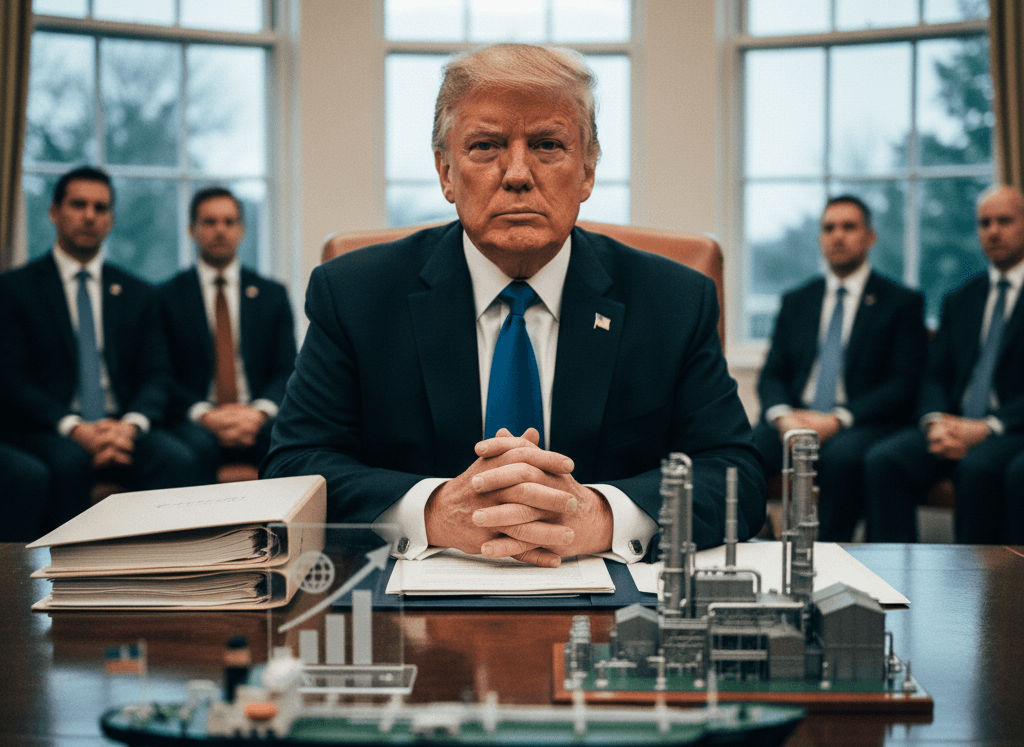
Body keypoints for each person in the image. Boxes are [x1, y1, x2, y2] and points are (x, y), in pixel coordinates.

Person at [263, 43, 765, 567]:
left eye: (548, 145)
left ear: (588, 170)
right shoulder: (355, 294)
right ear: (446, 172)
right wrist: (433, 512)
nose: (518, 173)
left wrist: (604, 514)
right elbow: (295, 470)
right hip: (413, 613)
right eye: (486, 146)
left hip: (609, 613)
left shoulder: (673, 300)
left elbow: (735, 474)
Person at [0, 166, 200, 530]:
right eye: (79, 204)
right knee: (68, 463)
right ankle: (67, 577)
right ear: (54, 212)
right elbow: (13, 380)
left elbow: (157, 374)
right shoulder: (16, 289)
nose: (89, 215)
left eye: (100, 207)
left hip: (122, 425)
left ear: (111, 219)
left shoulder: (138, 292)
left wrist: (130, 426)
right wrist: (75, 428)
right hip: (51, 428)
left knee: (179, 459)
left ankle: (161, 574)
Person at [754, 195, 927, 540]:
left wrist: (838, 419)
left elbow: (903, 384)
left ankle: (830, 556)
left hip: (859, 422)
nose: (838, 236)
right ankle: (755, 544)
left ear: (870, 237)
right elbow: (772, 373)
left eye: (849, 227)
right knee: (741, 450)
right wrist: (784, 417)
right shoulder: (798, 300)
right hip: (795, 419)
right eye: (829, 228)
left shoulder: (901, 302)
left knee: (841, 459)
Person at [865, 184, 1024, 544]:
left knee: (978, 467)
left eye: (1004, 221)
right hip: (954, 424)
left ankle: (987, 589)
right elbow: (935, 375)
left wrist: (987, 429)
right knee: (883, 460)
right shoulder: (961, 298)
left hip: (1011, 428)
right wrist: (936, 422)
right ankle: (892, 582)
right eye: (985, 223)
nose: (993, 231)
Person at [159, 188, 296, 483]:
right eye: (209, 222)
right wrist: (205, 415)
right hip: (196, 420)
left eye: (229, 221)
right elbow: (162, 375)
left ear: (242, 229)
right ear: (192, 230)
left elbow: (287, 368)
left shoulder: (272, 294)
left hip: (258, 416)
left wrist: (258, 413)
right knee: (192, 451)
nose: (220, 230)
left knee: (293, 445)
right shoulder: (167, 296)